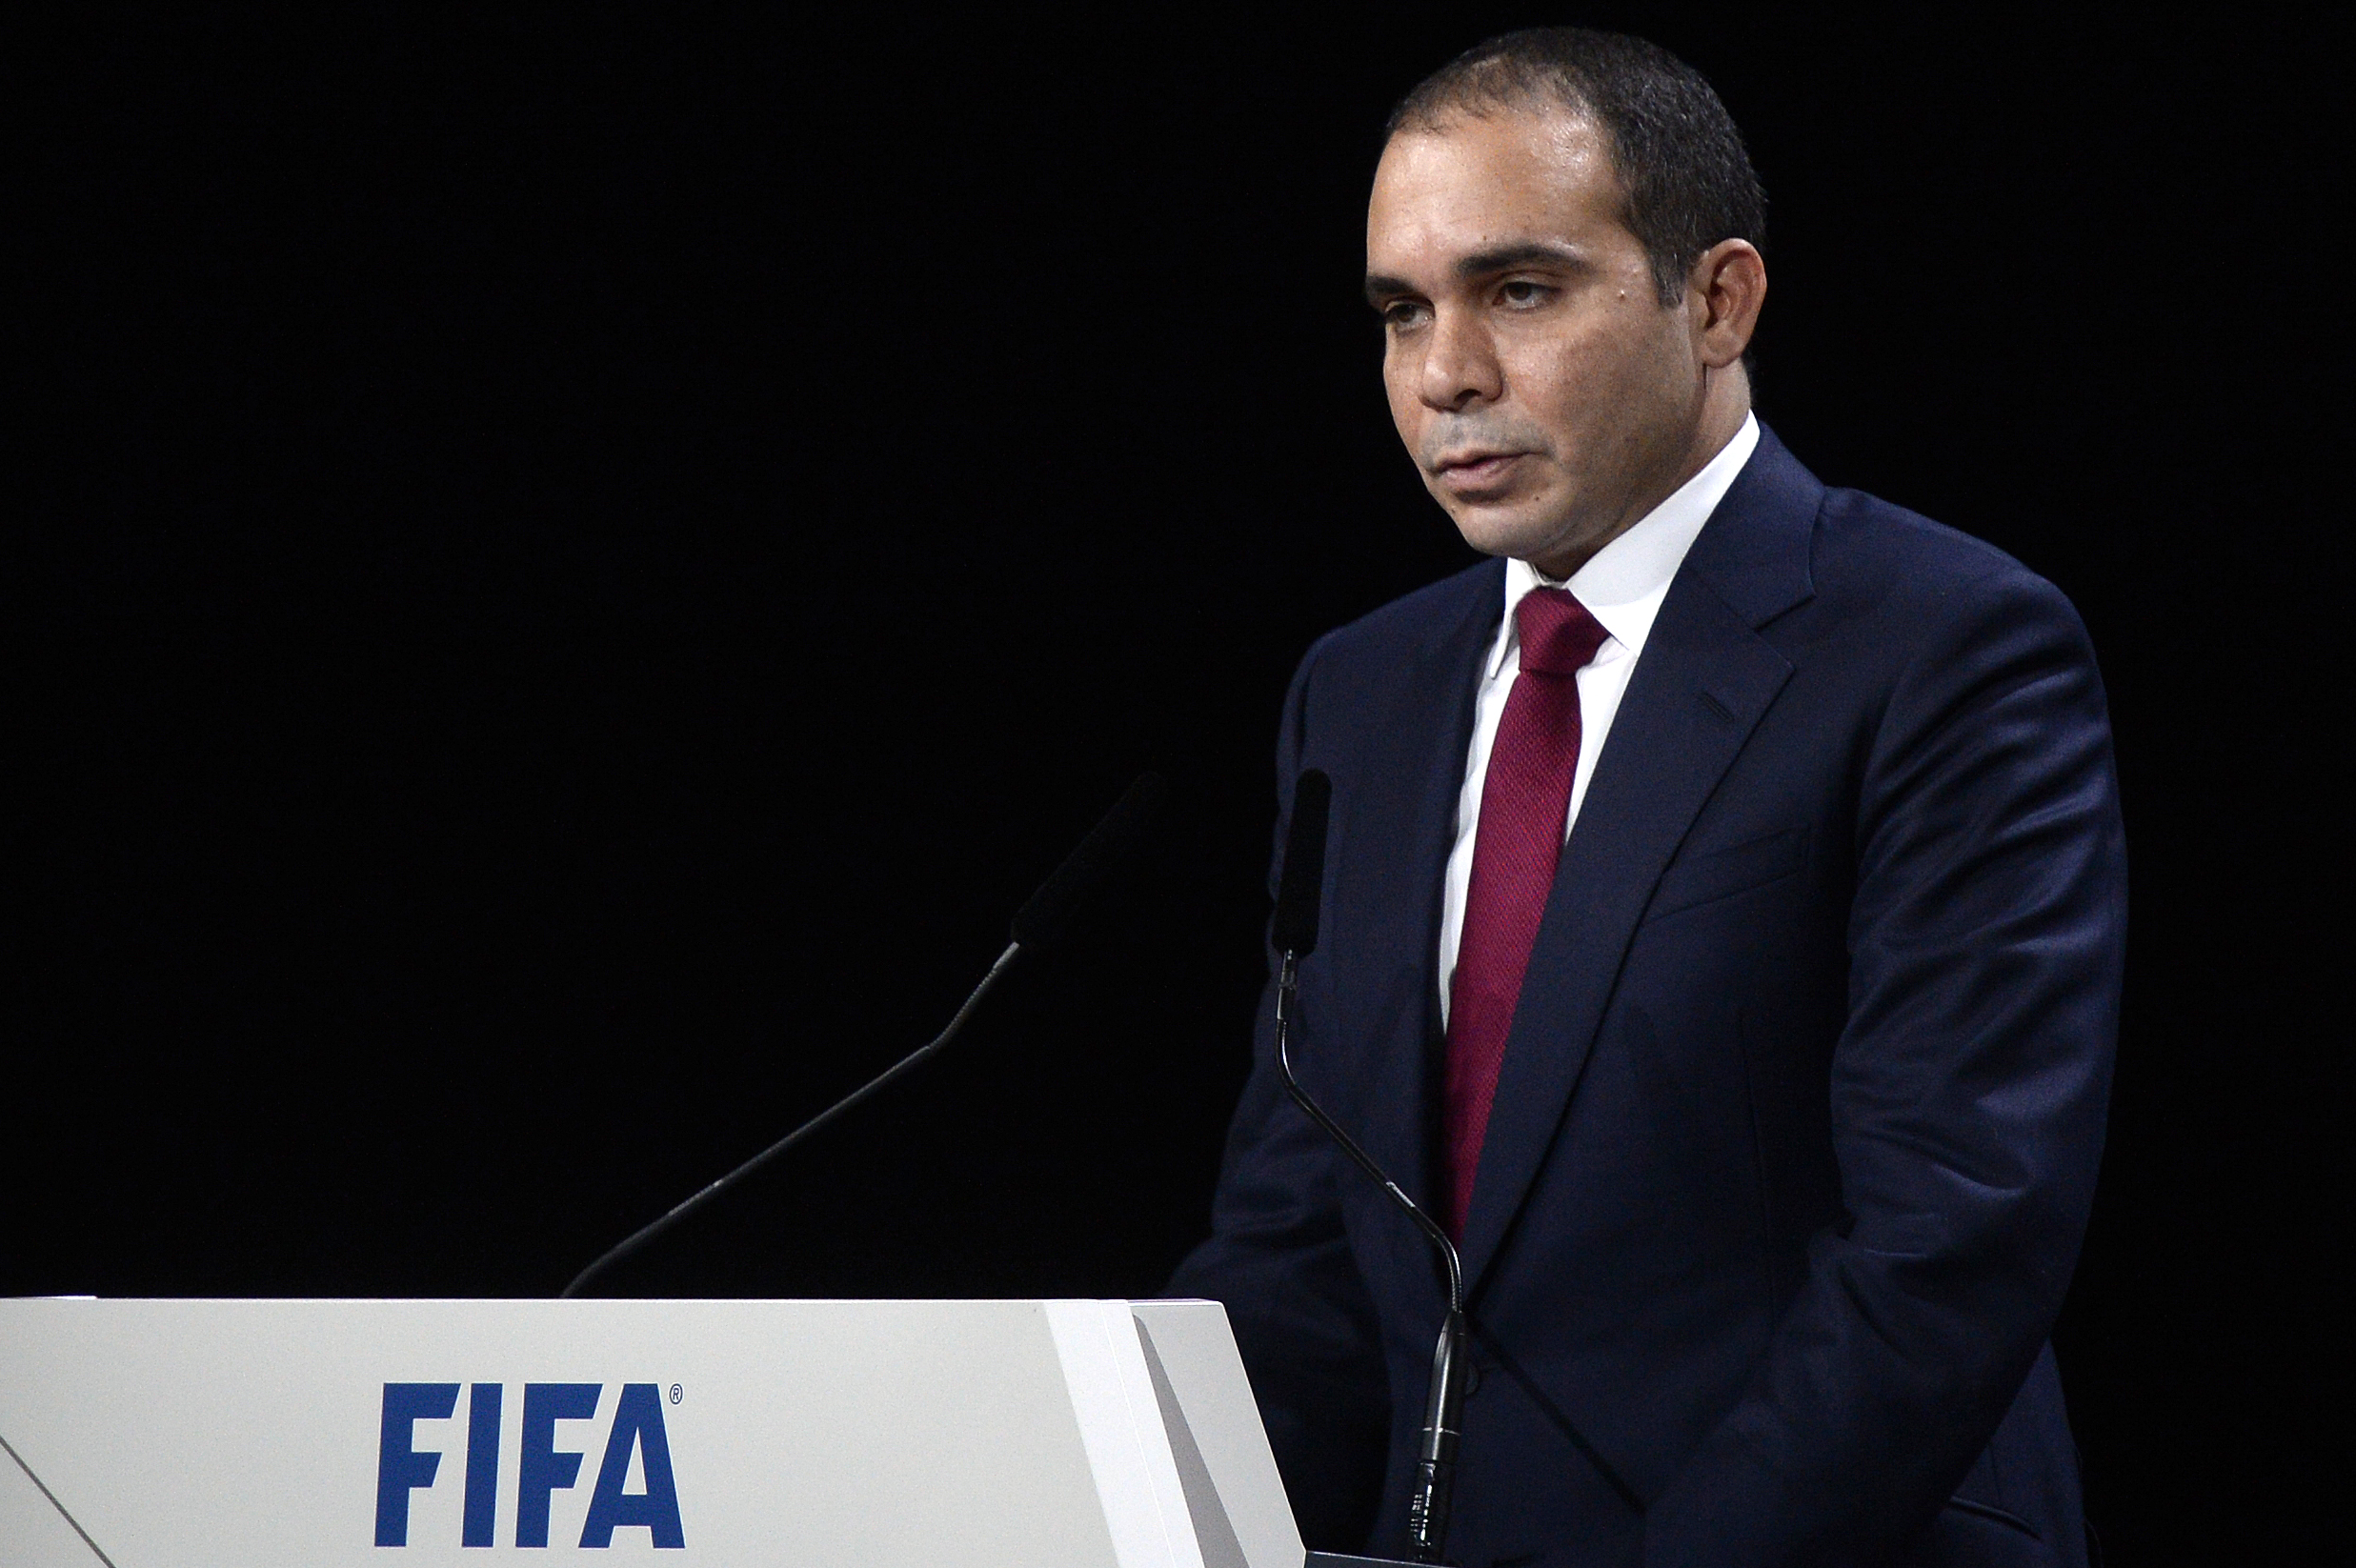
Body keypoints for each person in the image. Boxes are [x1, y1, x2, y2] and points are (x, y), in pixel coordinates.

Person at [1170, 28, 2124, 1568]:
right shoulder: (1359, 691)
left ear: (1718, 297)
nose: (1444, 373)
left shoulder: (1941, 646)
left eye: (1518, 290)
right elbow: (1297, 1238)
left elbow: (1947, 1240)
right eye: (1402, 311)